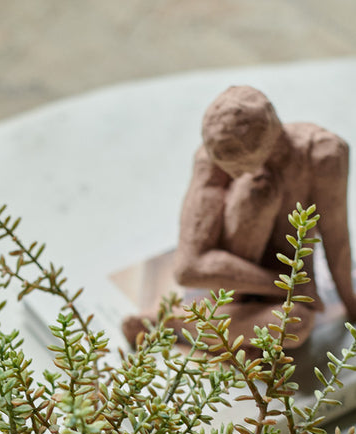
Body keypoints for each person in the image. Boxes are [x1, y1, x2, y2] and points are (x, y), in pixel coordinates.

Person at [122, 85, 356, 349]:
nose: (231, 175)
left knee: (292, 326)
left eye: (241, 166)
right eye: (227, 167)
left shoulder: (322, 154)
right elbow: (188, 268)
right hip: (230, 279)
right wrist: (284, 286)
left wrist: (350, 303)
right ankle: (169, 320)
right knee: (252, 196)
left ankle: (177, 319)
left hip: (286, 282)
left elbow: (336, 237)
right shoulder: (211, 161)